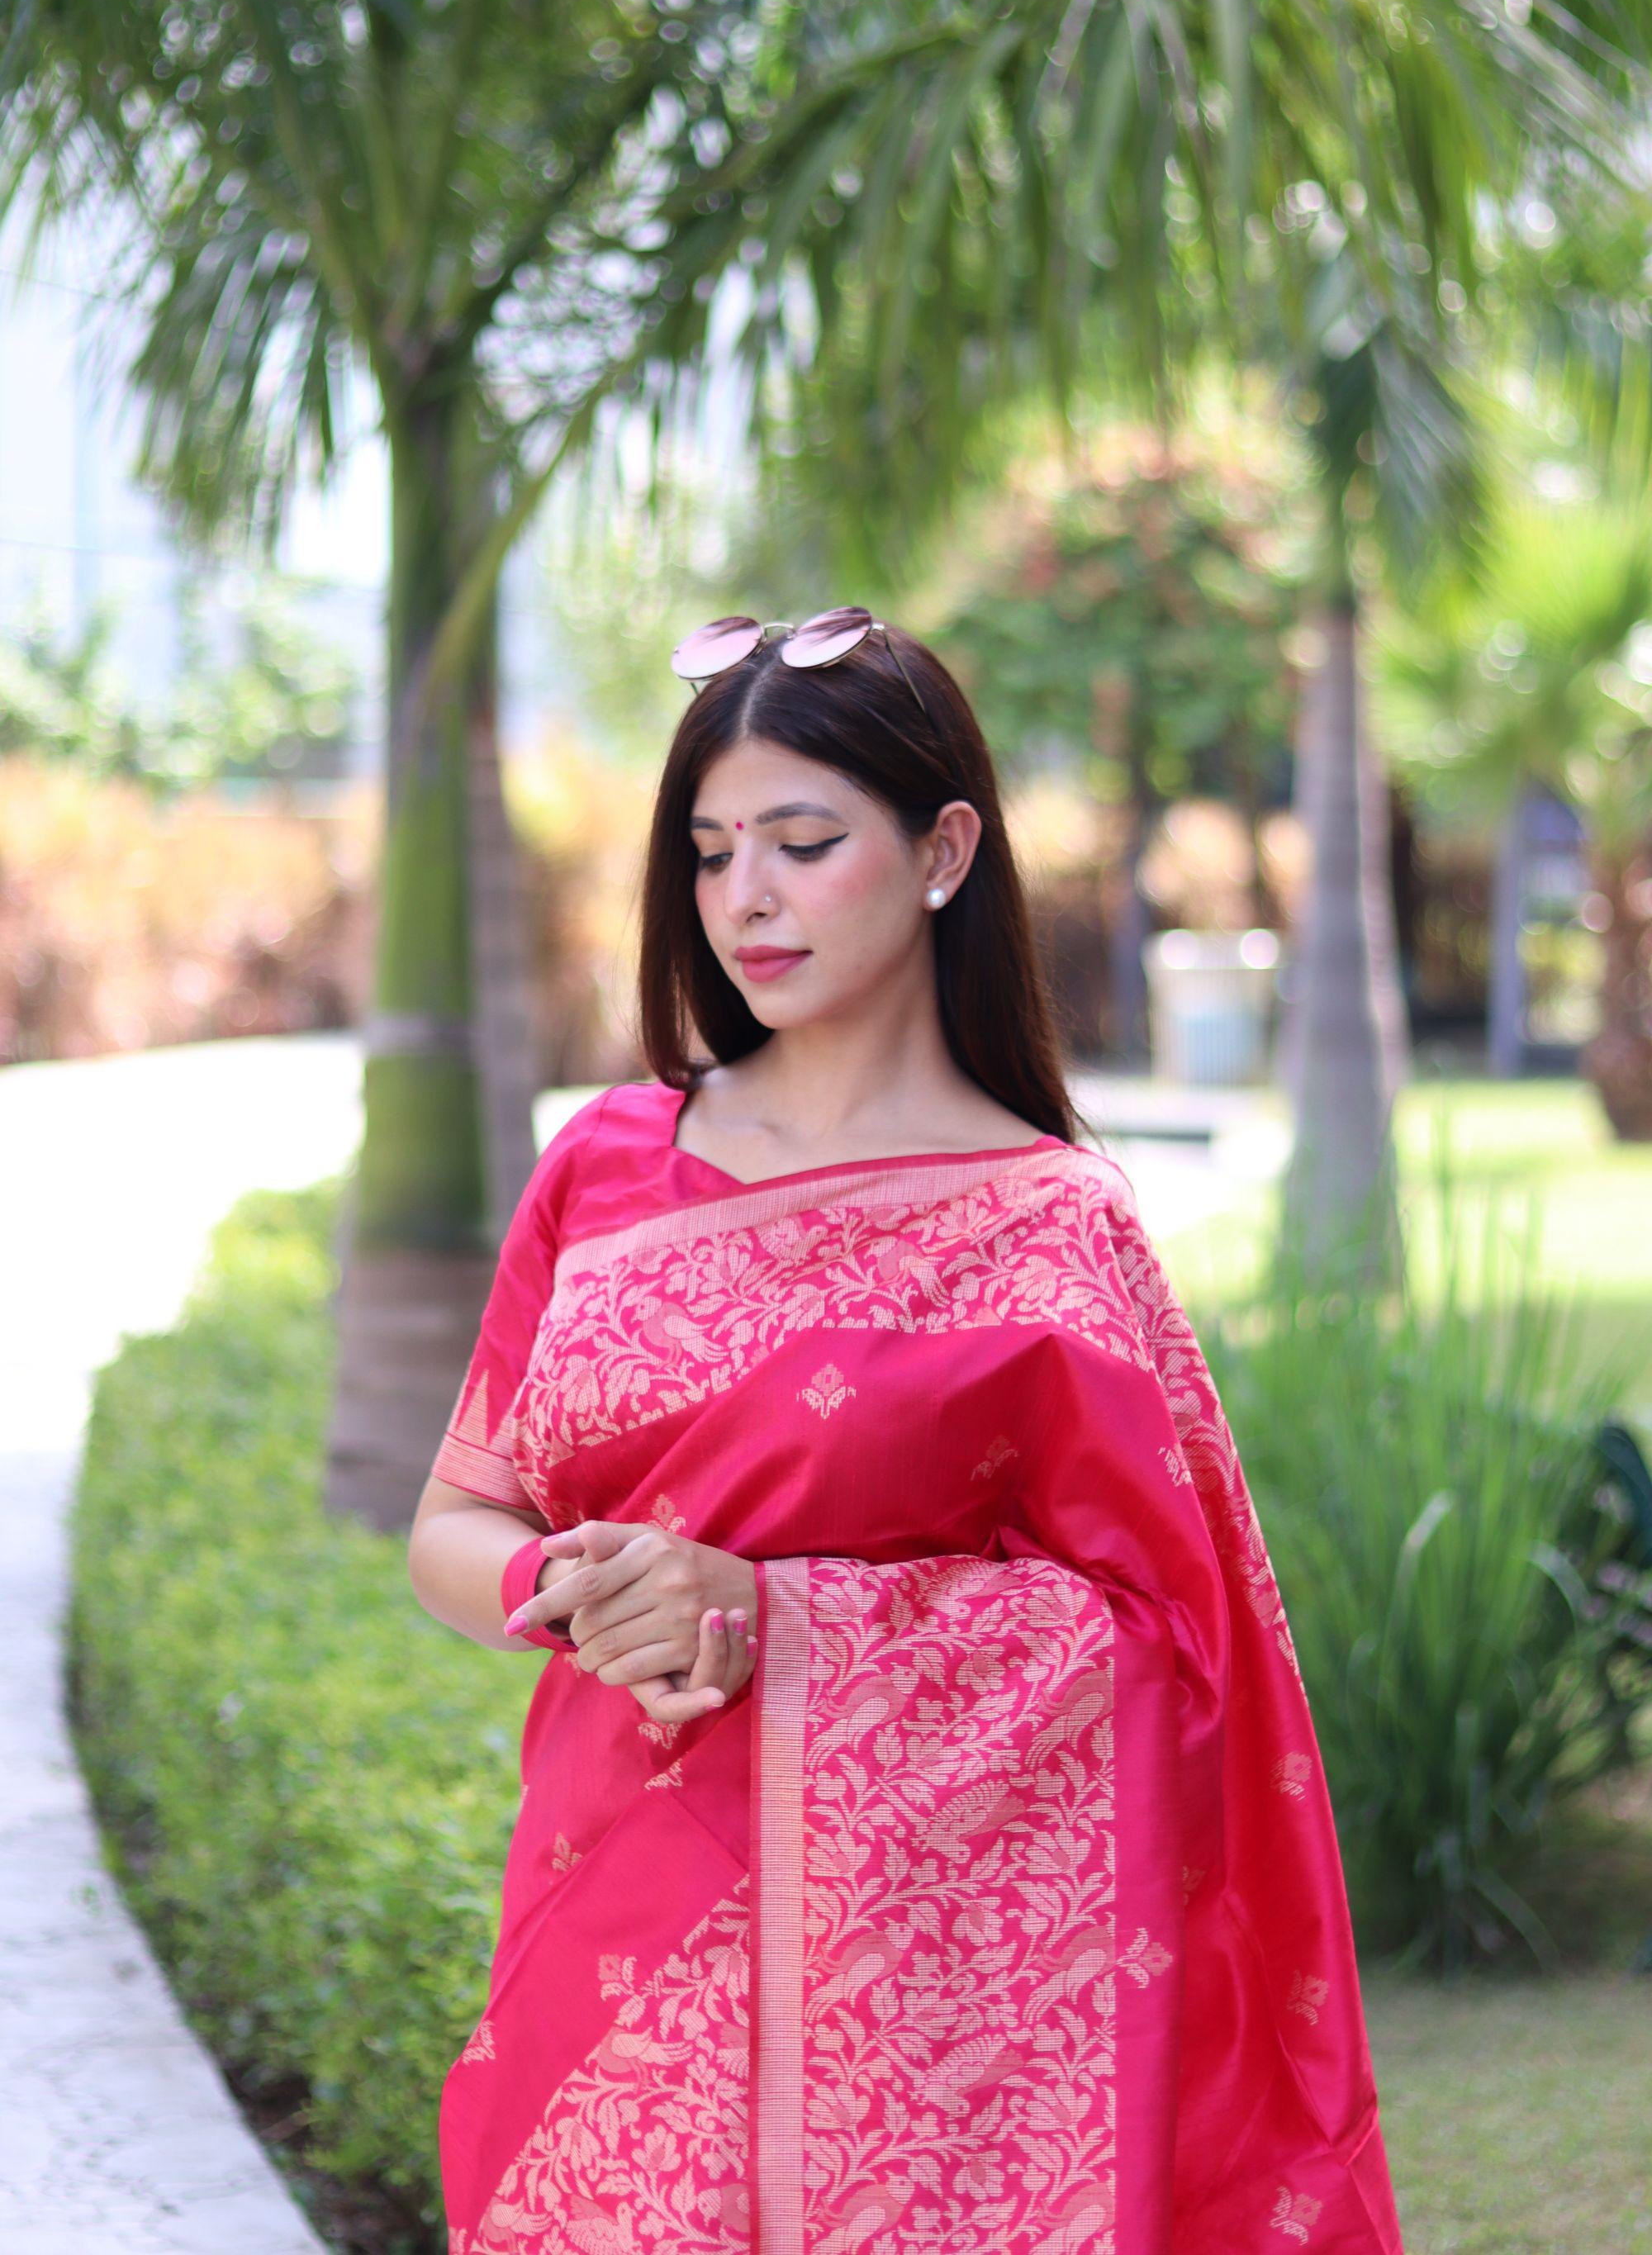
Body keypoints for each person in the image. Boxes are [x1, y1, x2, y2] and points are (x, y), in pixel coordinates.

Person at [407, 609, 1405, 2254]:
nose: (746, 896)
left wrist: (776, 1617)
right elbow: (455, 1529)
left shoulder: (1052, 1227)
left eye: (804, 843)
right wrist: (580, 1592)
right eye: (714, 848)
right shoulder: (602, 1164)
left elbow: (1180, 1642)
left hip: (944, 2014)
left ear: (945, 848)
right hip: (616, 1923)